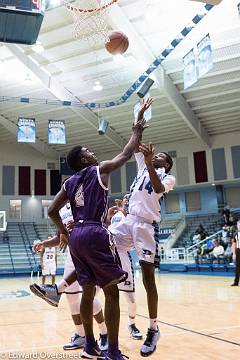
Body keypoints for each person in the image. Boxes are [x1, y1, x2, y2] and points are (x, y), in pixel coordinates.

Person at [37, 98, 152, 360]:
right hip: (95, 232)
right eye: (88, 150)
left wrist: (64, 232)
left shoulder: (68, 183)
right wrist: (137, 128)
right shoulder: (98, 170)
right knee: (111, 292)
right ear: (83, 159)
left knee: (87, 291)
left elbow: (52, 211)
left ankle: (90, 346)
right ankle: (112, 350)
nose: (92, 152)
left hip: (76, 235)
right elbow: (125, 154)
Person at [110, 142, 175, 357]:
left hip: (146, 226)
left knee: (148, 280)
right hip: (129, 221)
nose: (158, 156)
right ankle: (64, 288)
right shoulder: (142, 166)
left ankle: (153, 329)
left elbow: (157, 189)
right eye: (157, 154)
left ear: (167, 164)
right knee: (103, 241)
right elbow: (136, 140)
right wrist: (139, 114)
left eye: (162, 156)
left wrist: (148, 163)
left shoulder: (168, 178)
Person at [30, 202, 108, 352]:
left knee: (89, 298)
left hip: (91, 252)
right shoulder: (63, 210)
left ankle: (104, 333)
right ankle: (80, 335)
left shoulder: (86, 202)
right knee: (71, 298)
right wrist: (44, 244)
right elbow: (60, 236)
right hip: (72, 255)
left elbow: (102, 223)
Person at [107, 195, 142, 340]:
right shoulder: (116, 214)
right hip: (108, 255)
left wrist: (126, 212)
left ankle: (132, 324)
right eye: (125, 198)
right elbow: (107, 230)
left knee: (131, 300)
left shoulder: (138, 216)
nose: (126, 200)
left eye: (129, 198)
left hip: (123, 256)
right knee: (94, 294)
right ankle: (100, 332)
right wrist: (108, 218)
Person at [231, 220, 240, 286]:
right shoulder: (235, 234)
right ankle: (236, 282)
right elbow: (234, 244)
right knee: (237, 267)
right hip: (238, 250)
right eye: (238, 225)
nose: (239, 226)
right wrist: (234, 253)